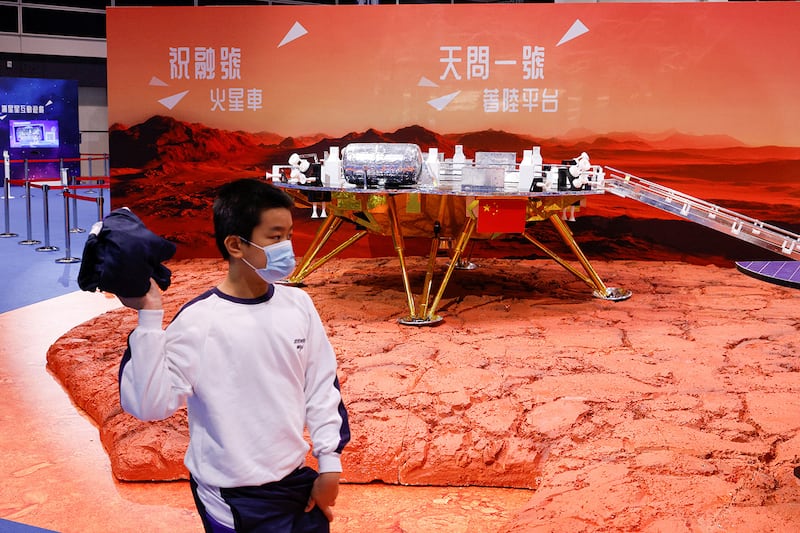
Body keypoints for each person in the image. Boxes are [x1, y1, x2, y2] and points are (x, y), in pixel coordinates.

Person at [117, 178, 350, 532]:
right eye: (275, 237)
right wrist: (149, 317)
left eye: (289, 235)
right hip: (233, 498)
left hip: (296, 484)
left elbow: (320, 385)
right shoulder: (198, 321)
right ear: (236, 244)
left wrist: (329, 464)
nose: (287, 247)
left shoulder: (299, 304)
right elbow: (149, 405)